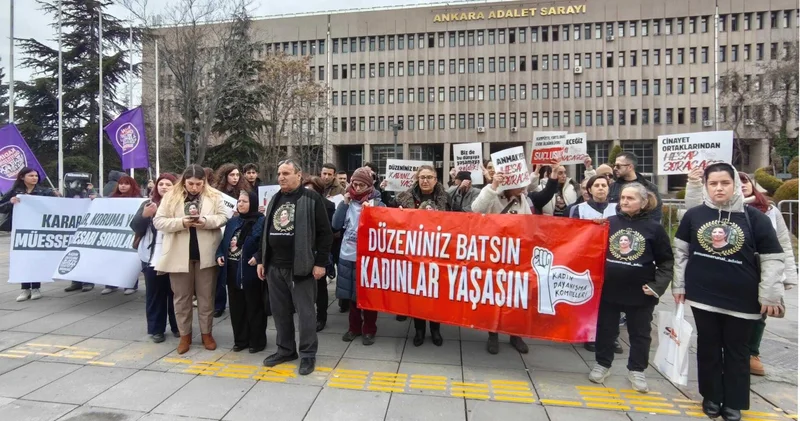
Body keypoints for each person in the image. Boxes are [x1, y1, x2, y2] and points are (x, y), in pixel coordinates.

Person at [673, 163, 784, 421]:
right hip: (703, 295)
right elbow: (681, 253)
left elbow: (772, 258)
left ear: (735, 184)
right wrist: (679, 286)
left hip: (743, 299)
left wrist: (769, 294)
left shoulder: (754, 217)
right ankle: (711, 396)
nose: (719, 188)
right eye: (713, 183)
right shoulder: (695, 215)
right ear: (706, 186)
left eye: (725, 182)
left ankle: (734, 401)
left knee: (737, 350)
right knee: (708, 346)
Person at [683, 168, 797, 376]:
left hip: (754, 279)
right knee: (711, 340)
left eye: (743, 181)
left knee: (750, 328)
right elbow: (694, 217)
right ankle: (713, 387)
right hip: (714, 284)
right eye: (714, 183)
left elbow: (781, 247)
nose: (720, 188)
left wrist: (785, 279)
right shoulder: (709, 213)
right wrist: (694, 183)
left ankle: (752, 354)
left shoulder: (766, 213)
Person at [588, 183, 674, 393]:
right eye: (623, 198)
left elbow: (666, 262)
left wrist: (657, 286)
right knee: (606, 329)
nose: (625, 201)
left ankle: (637, 369)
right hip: (610, 289)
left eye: (630, 198)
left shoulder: (654, 228)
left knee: (640, 333)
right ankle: (602, 364)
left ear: (643, 202)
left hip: (640, 291)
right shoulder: (609, 223)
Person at [256, 159, 333, 376]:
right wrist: (262, 259)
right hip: (274, 266)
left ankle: (307, 354)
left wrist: (320, 263)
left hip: (301, 267)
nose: (281, 177)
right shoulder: (275, 198)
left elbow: (325, 234)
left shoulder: (311, 198)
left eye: (286, 173)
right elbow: (266, 231)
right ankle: (286, 350)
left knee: (306, 313)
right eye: (279, 173)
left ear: (299, 175)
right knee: (280, 312)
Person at [153, 164, 229, 355]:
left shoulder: (214, 195)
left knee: (206, 297)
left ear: (204, 182)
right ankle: (185, 335)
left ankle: (206, 333)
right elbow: (158, 221)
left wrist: (206, 221)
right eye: (191, 184)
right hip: (179, 255)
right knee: (181, 299)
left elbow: (223, 217)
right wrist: (181, 222)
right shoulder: (171, 196)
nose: (194, 188)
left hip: (206, 254)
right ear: (184, 181)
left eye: (198, 184)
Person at [470, 168, 532, 355]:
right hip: (495, 254)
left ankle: (515, 334)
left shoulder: (522, 199)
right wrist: (493, 185)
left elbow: (530, 223)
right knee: (495, 295)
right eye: (520, 184)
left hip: (516, 255)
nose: (523, 187)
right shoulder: (493, 194)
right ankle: (493, 334)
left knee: (516, 295)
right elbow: (476, 209)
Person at [395, 165, 449, 347]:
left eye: (429, 177)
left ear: (436, 179)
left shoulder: (446, 199)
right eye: (422, 177)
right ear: (417, 179)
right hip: (414, 254)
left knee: (435, 295)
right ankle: (419, 330)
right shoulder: (404, 198)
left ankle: (435, 329)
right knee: (417, 293)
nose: (425, 180)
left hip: (438, 254)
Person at [572, 175, 623, 354]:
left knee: (612, 301)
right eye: (597, 185)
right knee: (589, 300)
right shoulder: (579, 209)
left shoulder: (618, 208)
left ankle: (612, 337)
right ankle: (589, 335)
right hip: (588, 260)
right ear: (590, 190)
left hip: (612, 259)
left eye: (604, 185)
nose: (601, 188)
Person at [334, 167, 383, 345]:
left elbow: (383, 229)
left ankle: (369, 329)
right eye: (355, 184)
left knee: (368, 295)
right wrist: (344, 204)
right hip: (347, 254)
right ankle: (353, 327)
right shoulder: (347, 201)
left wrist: (371, 213)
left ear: (369, 185)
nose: (358, 188)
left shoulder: (377, 203)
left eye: (362, 185)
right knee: (351, 295)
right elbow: (336, 224)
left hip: (367, 258)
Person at [131, 173, 180, 343]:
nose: (164, 187)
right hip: (151, 256)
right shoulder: (148, 203)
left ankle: (178, 326)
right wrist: (144, 215)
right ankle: (156, 329)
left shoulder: (180, 204)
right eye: (161, 184)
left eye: (168, 184)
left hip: (174, 255)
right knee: (154, 294)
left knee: (176, 293)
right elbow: (135, 226)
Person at [216, 190, 268, 353]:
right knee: (236, 307)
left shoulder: (261, 221)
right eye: (239, 201)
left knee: (254, 306)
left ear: (252, 203)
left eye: (245, 201)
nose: (241, 204)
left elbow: (265, 243)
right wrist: (219, 254)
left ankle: (257, 341)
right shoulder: (233, 221)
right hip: (232, 269)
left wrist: (258, 256)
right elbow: (224, 241)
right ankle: (240, 340)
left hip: (250, 270)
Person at [1, 168, 55, 302]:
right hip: (20, 231)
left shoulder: (45, 192)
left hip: (38, 230)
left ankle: (36, 287)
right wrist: (11, 202)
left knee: (35, 258)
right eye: (31, 175)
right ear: (22, 177)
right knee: (22, 258)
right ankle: (25, 289)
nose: (34, 178)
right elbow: (1, 206)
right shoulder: (14, 192)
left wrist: (56, 196)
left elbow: (55, 207)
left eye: (36, 175)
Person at [213, 164, 250, 317]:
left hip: (236, 232)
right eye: (232, 175)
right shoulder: (216, 193)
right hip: (219, 231)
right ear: (225, 176)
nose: (235, 178)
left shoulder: (243, 191)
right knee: (219, 271)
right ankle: (218, 304)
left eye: (237, 175)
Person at [302, 176, 336, 332]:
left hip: (318, 250)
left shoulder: (328, 205)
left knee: (320, 286)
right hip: (302, 250)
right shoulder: (298, 203)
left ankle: (321, 316)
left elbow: (329, 231)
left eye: (311, 190)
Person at [101, 175, 143, 296]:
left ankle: (130, 285)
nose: (123, 186)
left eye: (126, 183)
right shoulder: (112, 198)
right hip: (114, 233)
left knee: (129, 259)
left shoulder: (137, 198)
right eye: (121, 183)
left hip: (130, 233)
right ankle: (110, 284)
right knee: (111, 258)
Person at [608, 152, 663, 223]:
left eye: (618, 166)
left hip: (643, 227)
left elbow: (656, 212)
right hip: (617, 227)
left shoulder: (649, 187)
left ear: (630, 167)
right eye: (614, 165)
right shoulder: (611, 187)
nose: (615, 168)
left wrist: (646, 226)